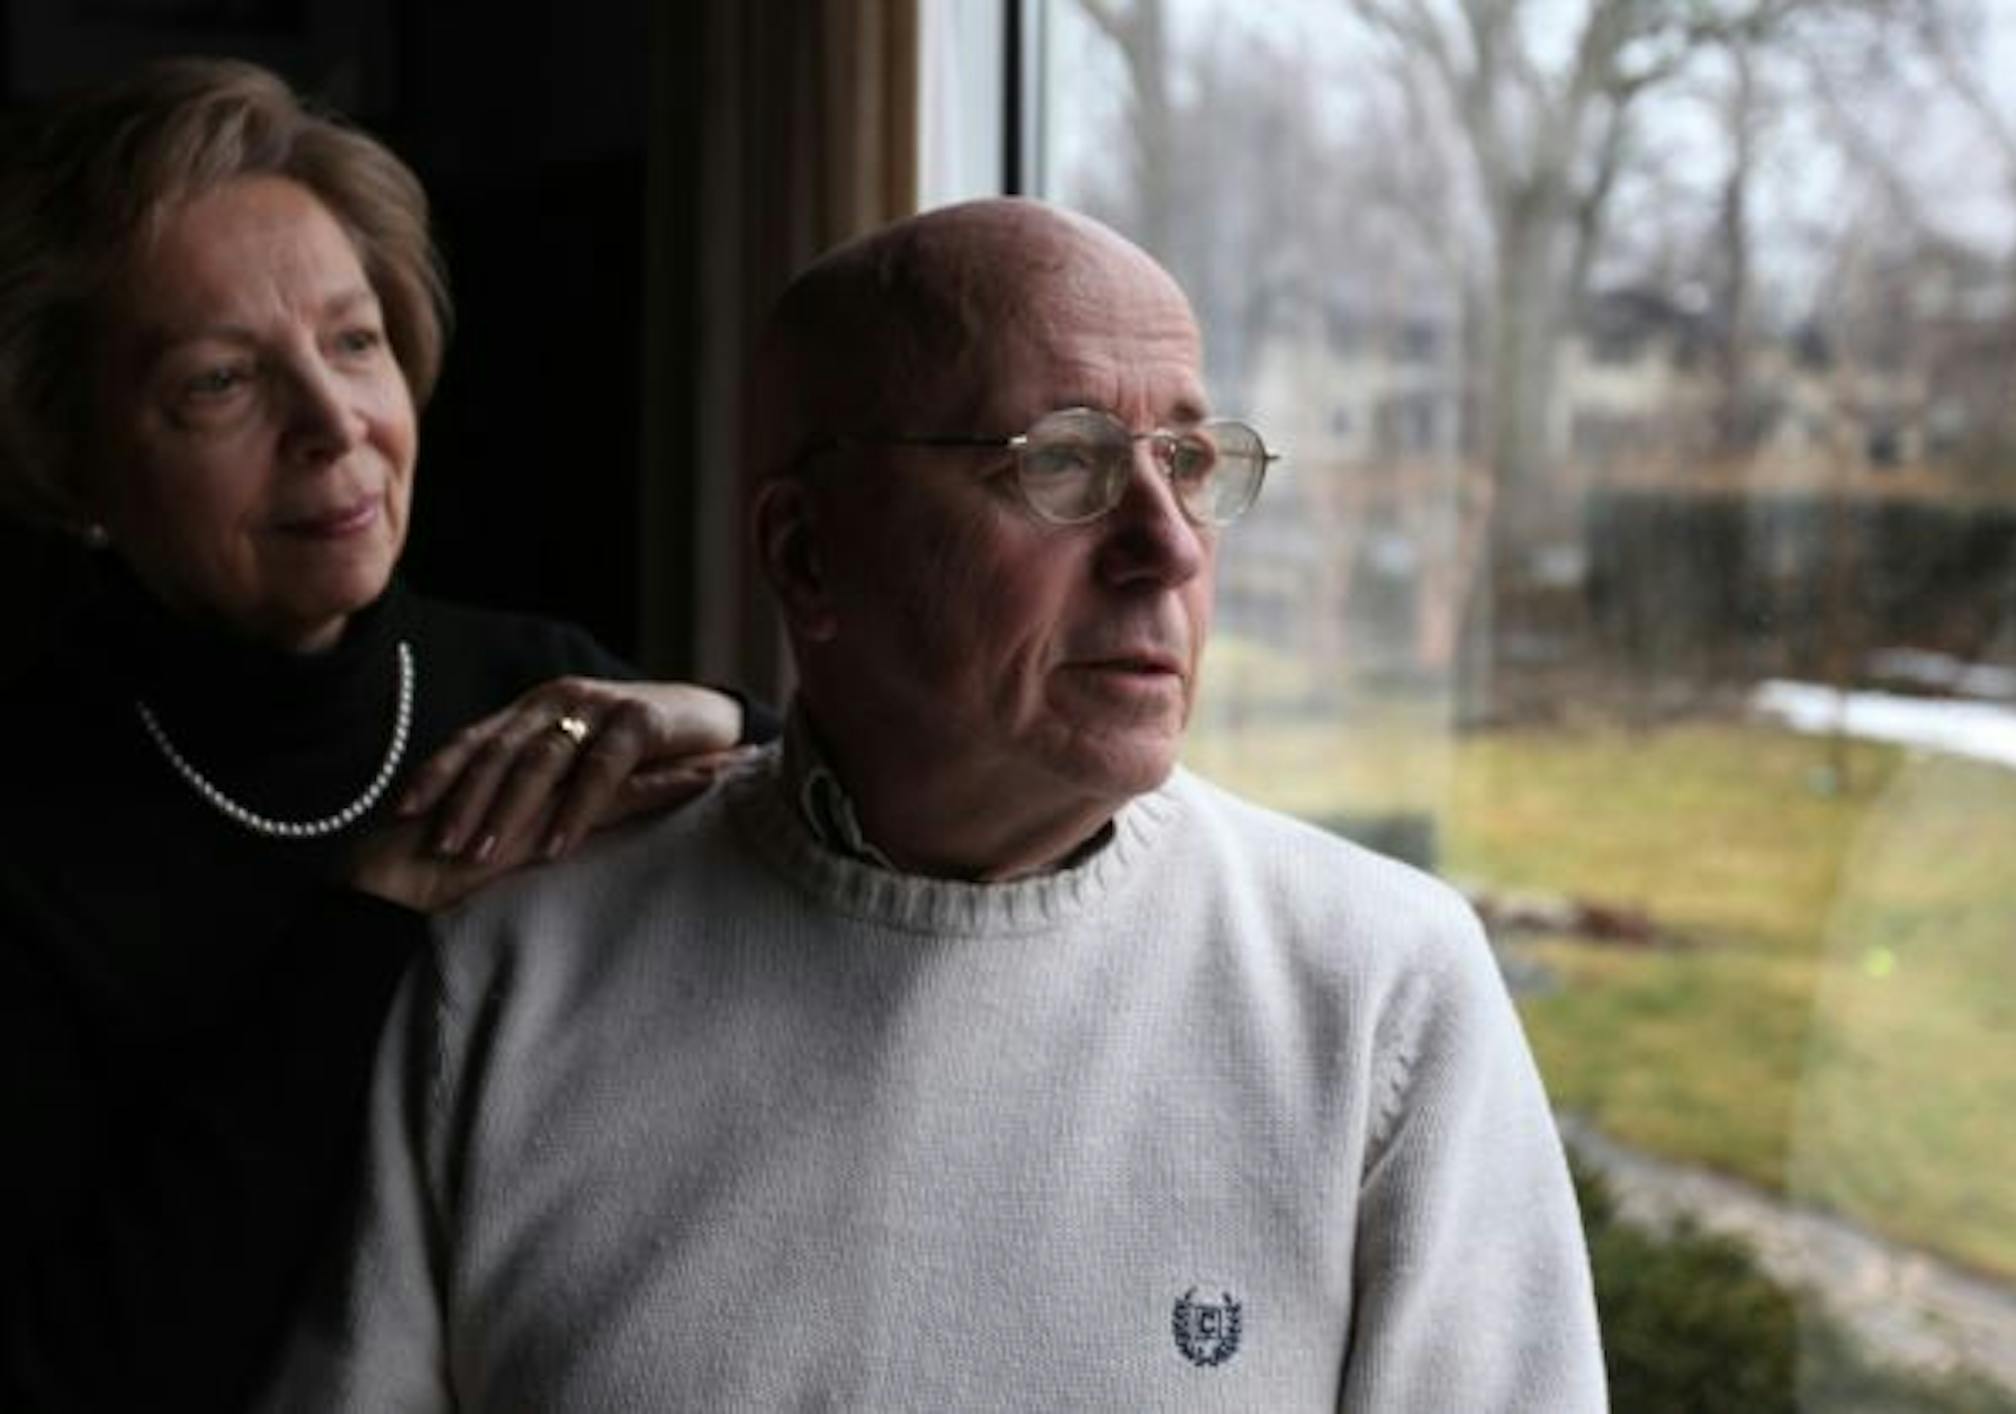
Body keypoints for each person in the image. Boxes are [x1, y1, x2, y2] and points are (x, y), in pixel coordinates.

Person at [268, 199, 1605, 1411]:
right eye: (1064, 464)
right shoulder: (510, 975)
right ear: (808, 555)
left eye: (1189, 462)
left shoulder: (1380, 989)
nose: (1168, 546)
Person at [0, 59, 778, 1412]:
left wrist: (727, 722)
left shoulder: (538, 686)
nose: (333, 424)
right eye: (221, 382)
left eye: (354, 342)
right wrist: (373, 918)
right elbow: (91, 1366)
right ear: (74, 458)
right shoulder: (27, 822)